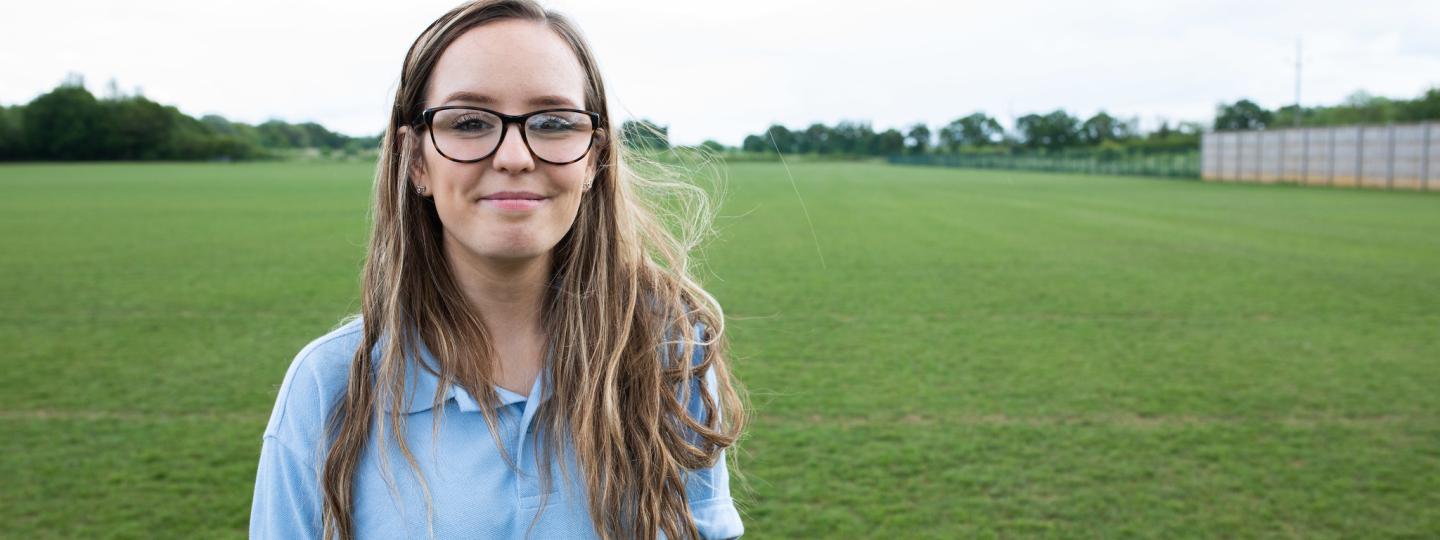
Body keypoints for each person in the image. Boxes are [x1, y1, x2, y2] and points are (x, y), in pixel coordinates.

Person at [248, 1, 747, 538]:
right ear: (416, 160)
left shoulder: (669, 352)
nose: (514, 156)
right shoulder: (328, 387)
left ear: (593, 160)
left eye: (554, 122)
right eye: (469, 122)